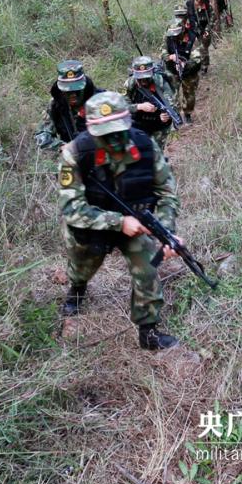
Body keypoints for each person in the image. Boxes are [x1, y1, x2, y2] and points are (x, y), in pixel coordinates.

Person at [58, 91, 181, 350]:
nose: (114, 140)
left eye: (118, 131)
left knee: (147, 269)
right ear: (91, 130)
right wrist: (118, 222)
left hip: (135, 223)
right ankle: (77, 288)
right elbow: (72, 209)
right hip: (92, 225)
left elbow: (167, 192)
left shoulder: (145, 146)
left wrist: (166, 231)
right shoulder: (75, 153)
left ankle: (148, 331)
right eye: (105, 134)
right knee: (82, 267)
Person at [35, 60, 103, 150]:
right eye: (68, 91)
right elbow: (42, 136)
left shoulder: (101, 100)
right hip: (73, 156)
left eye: (77, 90)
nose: (73, 94)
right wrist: (64, 147)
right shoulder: (56, 105)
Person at [124, 55, 179, 151]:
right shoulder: (130, 84)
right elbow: (122, 107)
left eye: (146, 77)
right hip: (138, 123)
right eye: (140, 78)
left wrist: (166, 116)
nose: (144, 81)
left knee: (157, 151)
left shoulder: (161, 82)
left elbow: (171, 102)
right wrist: (139, 106)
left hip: (158, 124)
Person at [161, 18, 201, 125]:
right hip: (172, 70)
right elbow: (162, 52)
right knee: (171, 94)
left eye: (176, 33)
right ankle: (175, 116)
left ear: (183, 30)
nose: (174, 36)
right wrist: (170, 57)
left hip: (189, 70)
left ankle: (187, 114)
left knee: (189, 95)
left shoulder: (192, 38)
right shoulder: (167, 37)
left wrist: (185, 64)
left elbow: (197, 58)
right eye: (172, 33)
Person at [185, 0, 214, 75]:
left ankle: (204, 67)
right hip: (192, 30)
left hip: (204, 29)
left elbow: (212, 17)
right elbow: (184, 16)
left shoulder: (207, 4)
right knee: (192, 49)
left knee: (203, 48)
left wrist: (207, 29)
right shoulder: (189, 4)